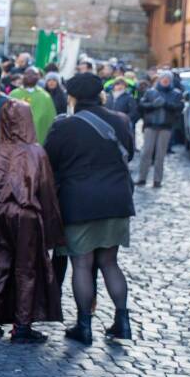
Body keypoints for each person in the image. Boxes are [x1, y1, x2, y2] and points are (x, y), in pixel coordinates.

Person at [44, 73, 135, 345]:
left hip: (79, 202)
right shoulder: (121, 120)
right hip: (117, 200)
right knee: (109, 262)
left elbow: (50, 162)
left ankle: (84, 325)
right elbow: (129, 153)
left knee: (81, 264)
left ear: (71, 97)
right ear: (101, 95)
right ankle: (122, 321)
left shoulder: (65, 126)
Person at [0, 100, 64, 343]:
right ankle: (22, 326)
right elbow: (46, 192)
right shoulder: (35, 152)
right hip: (26, 216)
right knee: (27, 269)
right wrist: (52, 229)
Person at [136, 72, 183, 187]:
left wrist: (166, 104)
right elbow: (141, 106)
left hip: (165, 127)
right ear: (160, 79)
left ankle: (157, 180)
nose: (165, 80)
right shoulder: (150, 92)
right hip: (150, 125)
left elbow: (179, 108)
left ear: (170, 81)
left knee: (160, 155)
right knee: (146, 152)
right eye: (163, 78)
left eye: (168, 79)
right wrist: (153, 105)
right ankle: (142, 178)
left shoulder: (176, 93)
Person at [10, 66, 57, 143]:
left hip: (37, 140)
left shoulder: (45, 96)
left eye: (34, 74)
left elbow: (51, 120)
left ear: (38, 77)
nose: (30, 76)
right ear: (23, 76)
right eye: (27, 74)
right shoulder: (14, 94)